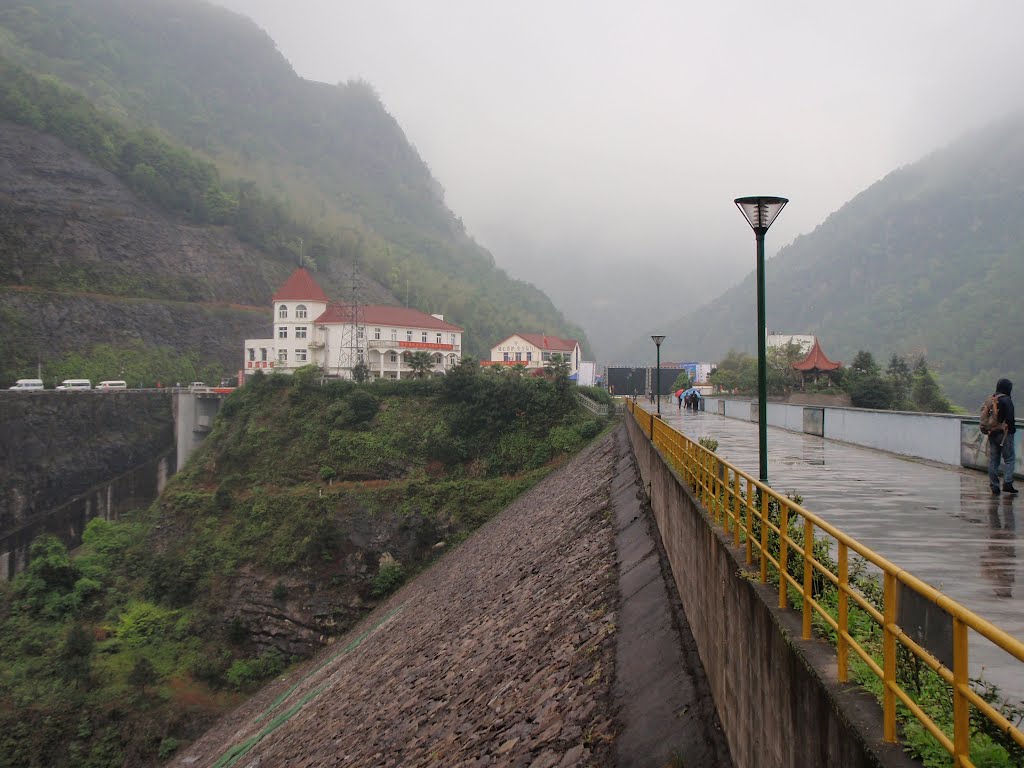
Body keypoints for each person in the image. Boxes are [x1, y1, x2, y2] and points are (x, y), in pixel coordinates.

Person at [989, 378, 1017, 495]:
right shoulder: (1006, 400)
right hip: (1004, 434)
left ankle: (994, 486)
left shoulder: (992, 399)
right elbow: (1010, 419)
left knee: (994, 461)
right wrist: (1012, 430)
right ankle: (1007, 483)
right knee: (1010, 459)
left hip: (992, 433)